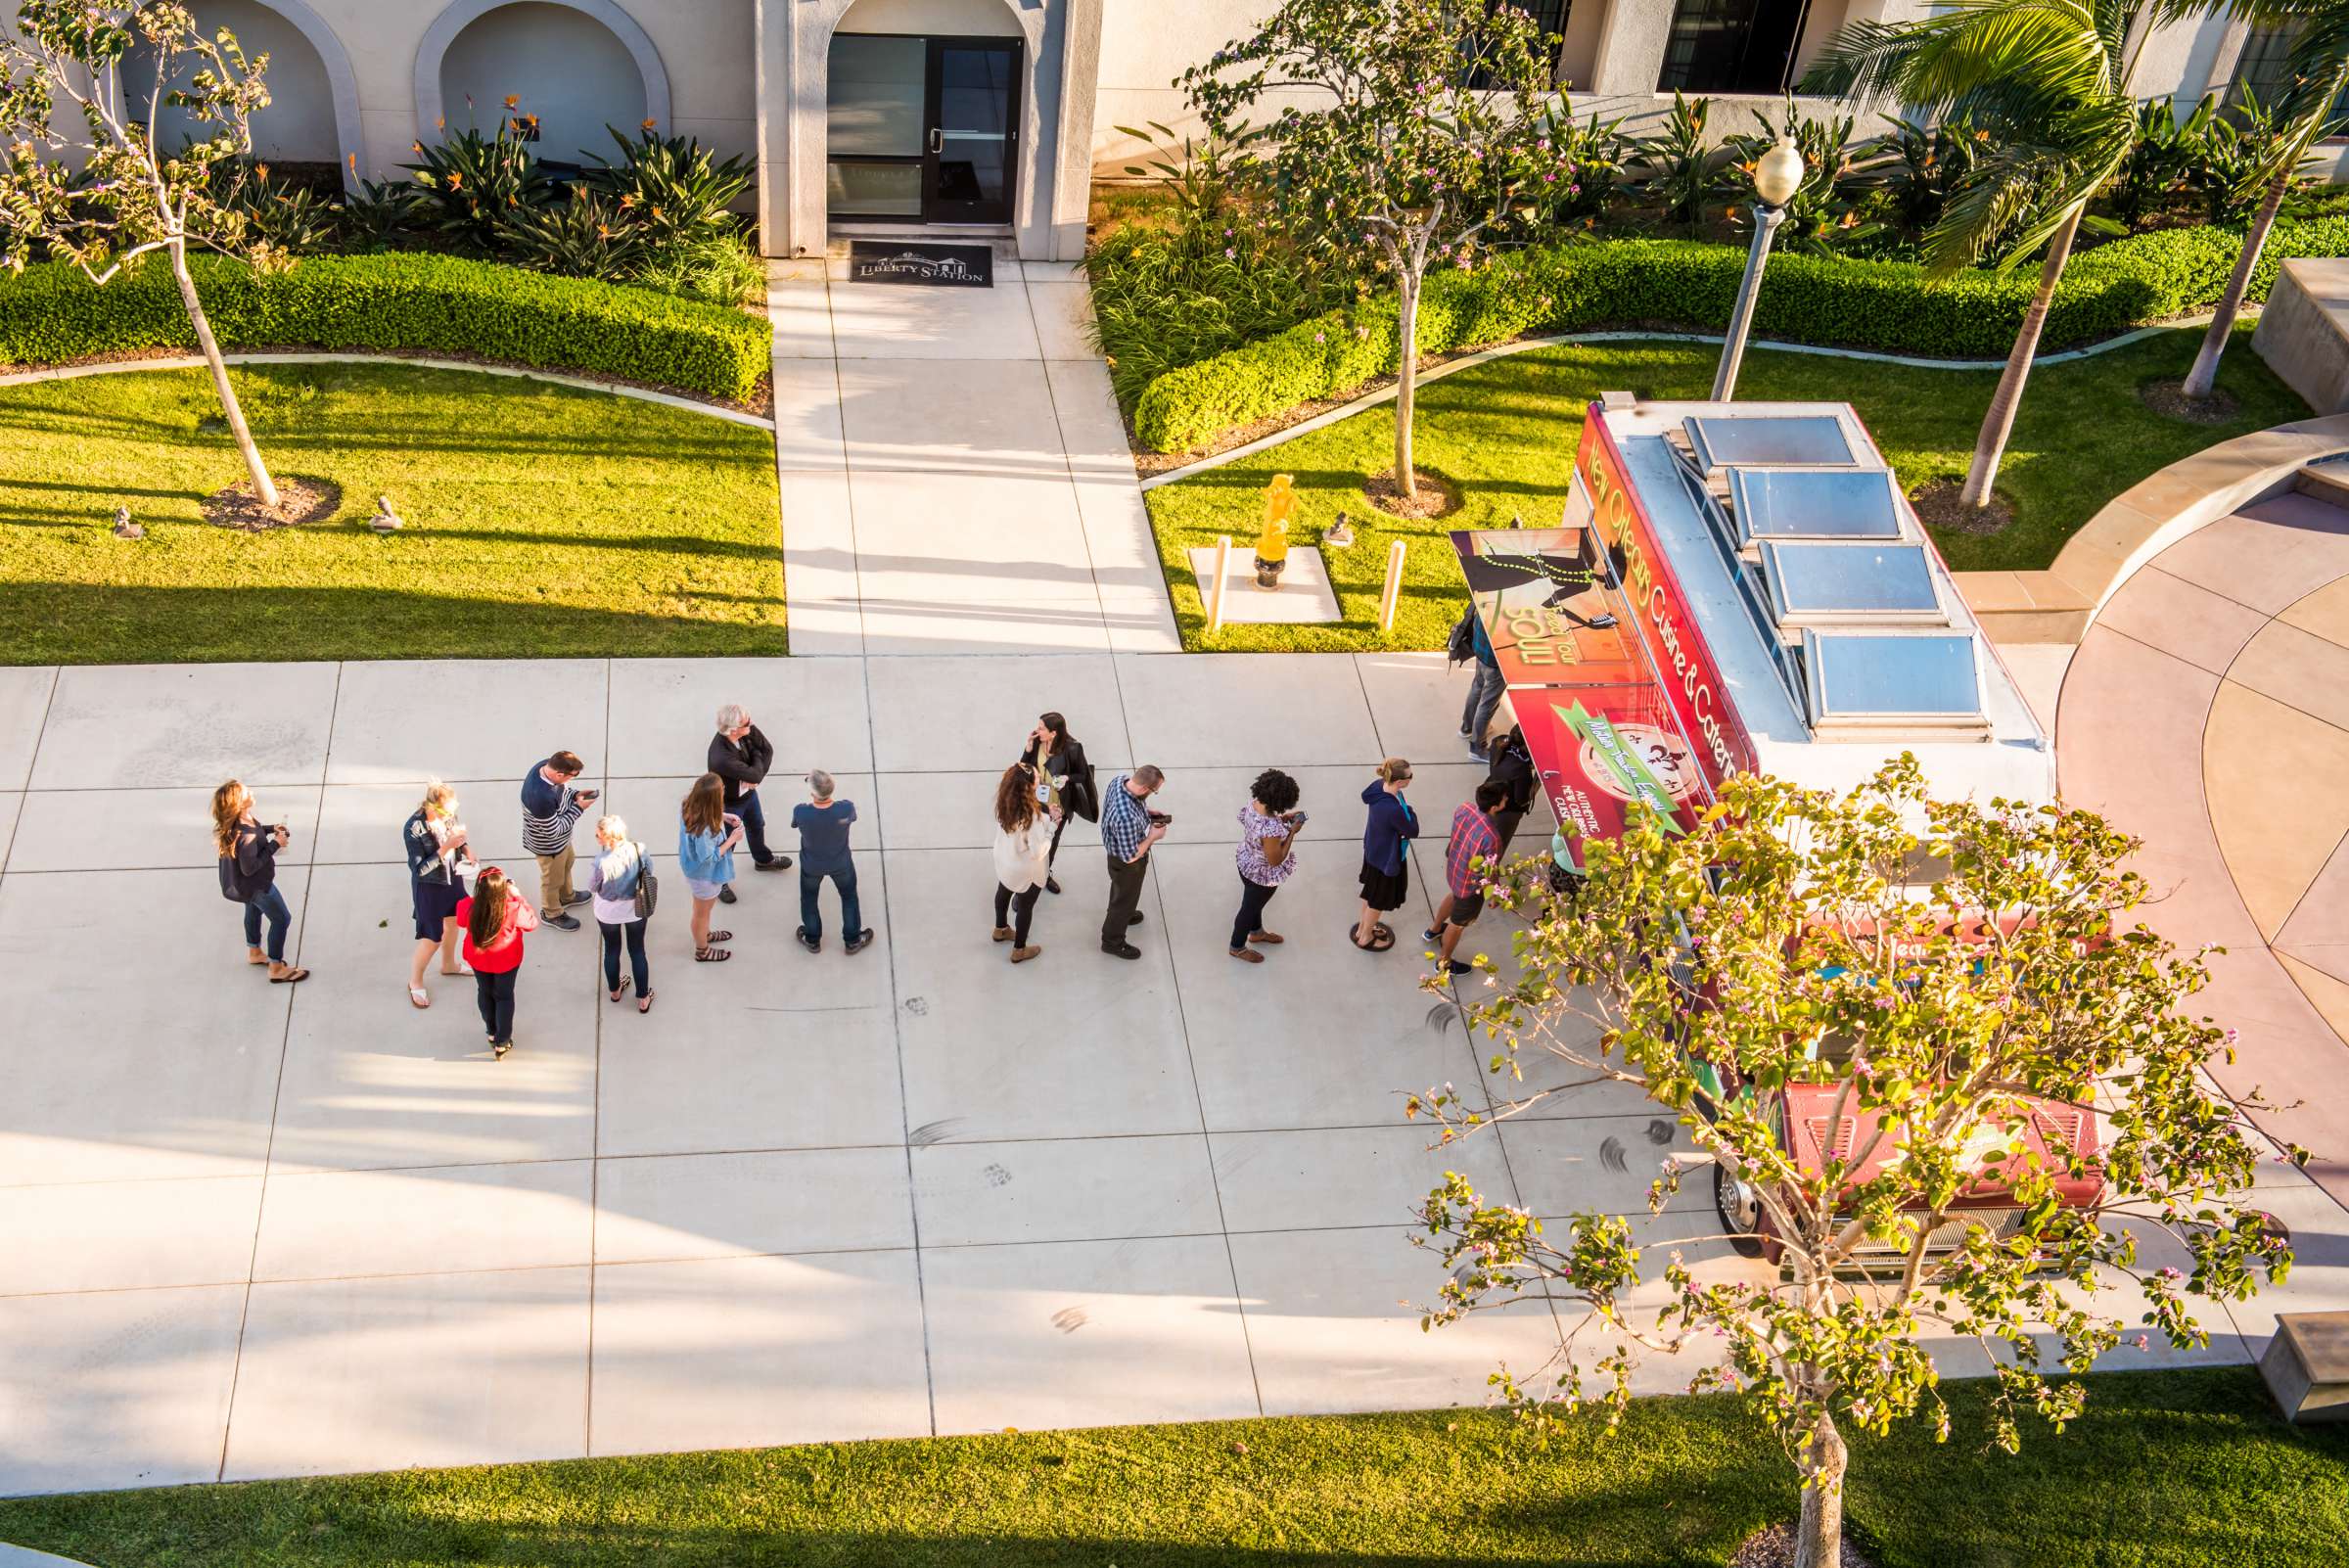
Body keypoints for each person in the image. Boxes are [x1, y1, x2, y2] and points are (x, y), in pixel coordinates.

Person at [212, 780, 308, 984]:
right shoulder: (244, 835)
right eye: (246, 792)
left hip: (245, 888)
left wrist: (271, 828)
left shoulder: (241, 820)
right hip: (258, 886)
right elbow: (250, 868)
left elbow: (255, 832)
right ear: (239, 803)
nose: (251, 792)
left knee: (253, 911)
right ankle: (276, 967)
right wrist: (275, 844)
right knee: (282, 919)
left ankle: (254, 951)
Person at [709, 704, 792, 903]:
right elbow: (757, 768)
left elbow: (768, 750)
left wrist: (755, 774)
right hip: (729, 804)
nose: (752, 724)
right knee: (727, 843)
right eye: (747, 723)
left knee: (757, 825)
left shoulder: (744, 729)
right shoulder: (722, 757)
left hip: (748, 795)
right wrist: (756, 761)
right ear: (734, 730)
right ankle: (720, 882)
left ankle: (763, 860)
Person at [453, 865, 537, 1059]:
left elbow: (460, 922)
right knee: (504, 997)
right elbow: (531, 923)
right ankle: (503, 1041)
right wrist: (517, 896)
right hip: (506, 961)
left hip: (479, 959)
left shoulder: (467, 906)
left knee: (485, 992)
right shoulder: (512, 908)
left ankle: (491, 1032)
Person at [1426, 780, 1507, 978]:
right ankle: (1444, 962)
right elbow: (1489, 872)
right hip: (1470, 886)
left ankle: (1434, 930)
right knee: (1458, 924)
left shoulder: (1465, 808)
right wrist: (1495, 894)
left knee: (1453, 896)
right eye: (1504, 798)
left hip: (1454, 869)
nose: (1507, 799)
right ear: (1495, 807)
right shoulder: (1492, 838)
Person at [402, 780, 473, 1009]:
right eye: (448, 810)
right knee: (433, 938)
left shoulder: (449, 815)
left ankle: (449, 964)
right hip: (430, 887)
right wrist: (446, 848)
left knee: (454, 923)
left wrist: (466, 850)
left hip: (453, 878)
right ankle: (415, 981)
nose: (451, 815)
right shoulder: (414, 828)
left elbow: (459, 837)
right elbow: (419, 869)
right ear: (434, 806)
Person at [791, 770, 873, 955]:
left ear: (812, 793)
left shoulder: (801, 811)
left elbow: (795, 824)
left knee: (809, 899)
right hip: (841, 863)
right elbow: (852, 817)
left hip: (811, 865)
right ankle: (852, 940)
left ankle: (812, 940)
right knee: (849, 897)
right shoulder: (846, 808)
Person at [1229, 768, 1304, 964]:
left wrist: (1283, 821)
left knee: (1255, 904)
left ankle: (1257, 932)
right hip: (1261, 876)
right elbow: (1276, 859)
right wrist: (1292, 832)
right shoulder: (1270, 830)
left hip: (1246, 862)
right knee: (1248, 909)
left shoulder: (1254, 803)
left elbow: (1261, 824)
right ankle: (1237, 947)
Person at [1020, 712, 1097, 896]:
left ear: (1053, 733)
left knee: (1050, 845)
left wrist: (1066, 778)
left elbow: (1083, 775)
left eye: (1041, 728)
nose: (1037, 730)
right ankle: (1024, 886)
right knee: (1029, 844)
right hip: (1035, 804)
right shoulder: (1038, 741)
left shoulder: (1073, 748)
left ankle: (1044, 876)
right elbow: (1024, 768)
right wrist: (1028, 749)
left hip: (1058, 808)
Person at [1098, 763, 1169, 959]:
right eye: (1154, 791)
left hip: (1115, 854)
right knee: (1123, 900)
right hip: (1127, 863)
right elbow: (1131, 856)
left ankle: (1126, 914)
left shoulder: (1120, 781)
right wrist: (1153, 836)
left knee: (1122, 893)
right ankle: (1112, 941)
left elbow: (1135, 805)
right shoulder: (1126, 817)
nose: (1153, 794)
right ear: (1146, 788)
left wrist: (1148, 812)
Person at [520, 750, 596, 931]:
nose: (571, 781)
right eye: (572, 777)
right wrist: (579, 808)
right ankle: (552, 913)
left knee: (567, 864)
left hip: (562, 841)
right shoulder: (540, 798)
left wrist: (574, 795)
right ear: (559, 774)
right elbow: (554, 831)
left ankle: (566, 896)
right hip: (549, 846)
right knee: (552, 880)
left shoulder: (546, 766)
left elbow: (562, 792)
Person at [585, 815, 654, 1013]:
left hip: (608, 912)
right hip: (635, 909)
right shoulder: (639, 849)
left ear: (607, 838)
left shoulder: (601, 861)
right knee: (637, 951)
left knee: (612, 950)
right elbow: (649, 870)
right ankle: (643, 997)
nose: (596, 837)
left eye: (598, 834)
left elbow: (592, 887)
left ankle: (615, 991)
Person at [990, 761, 1056, 964]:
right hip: (1025, 871)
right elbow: (1038, 852)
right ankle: (1019, 950)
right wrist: (1052, 824)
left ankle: (1000, 929)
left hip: (1004, 860)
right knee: (1026, 907)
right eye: (1037, 777)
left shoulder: (1005, 800)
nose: (1040, 779)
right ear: (1029, 786)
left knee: (1003, 892)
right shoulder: (1033, 818)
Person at [1352, 758, 1418, 952]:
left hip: (1374, 849)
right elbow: (1413, 830)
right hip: (1387, 858)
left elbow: (1365, 795)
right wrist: (1411, 812)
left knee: (1370, 892)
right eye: (1410, 776)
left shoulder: (1378, 786)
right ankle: (1365, 936)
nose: (1411, 779)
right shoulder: (1393, 810)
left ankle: (1362, 928)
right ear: (1400, 781)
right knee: (1377, 901)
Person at [677, 772, 742, 963]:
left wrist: (725, 816)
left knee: (703, 910)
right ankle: (702, 950)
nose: (724, 790)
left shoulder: (688, 805)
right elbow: (708, 858)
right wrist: (732, 839)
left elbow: (706, 811)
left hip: (694, 869)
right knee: (701, 913)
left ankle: (705, 934)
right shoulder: (703, 828)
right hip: (704, 876)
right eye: (721, 789)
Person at [1483, 722, 1537, 855]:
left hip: (1488, 793)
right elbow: (1522, 800)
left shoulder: (1499, 741)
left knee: (1479, 830)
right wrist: (1536, 785)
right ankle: (1486, 873)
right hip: (1507, 811)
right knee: (1497, 846)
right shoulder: (1522, 770)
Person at [1458, 609, 1504, 761]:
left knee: (1477, 688)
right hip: (1495, 661)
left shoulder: (1485, 593)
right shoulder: (1505, 610)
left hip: (1480, 650)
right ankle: (1477, 748)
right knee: (1488, 704)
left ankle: (1467, 727)